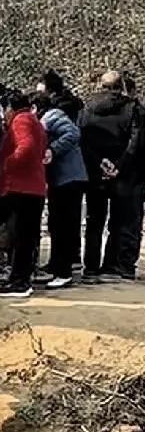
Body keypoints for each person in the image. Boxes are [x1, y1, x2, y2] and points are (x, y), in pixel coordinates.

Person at [78, 70, 143, 282]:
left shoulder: (87, 107)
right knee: (125, 219)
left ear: (101, 86)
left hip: (96, 172)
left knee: (94, 220)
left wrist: (100, 163)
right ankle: (119, 266)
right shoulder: (133, 109)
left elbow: (82, 139)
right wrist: (118, 166)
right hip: (127, 174)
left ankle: (91, 267)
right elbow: (136, 142)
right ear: (121, 86)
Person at [0, 92, 49, 298]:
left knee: (20, 236)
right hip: (33, 188)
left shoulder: (21, 120)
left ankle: (19, 281)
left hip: (21, 188)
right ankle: (22, 277)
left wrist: (7, 164)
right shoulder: (33, 120)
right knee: (27, 236)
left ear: (11, 108)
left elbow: (26, 148)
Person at [33, 94, 87, 288]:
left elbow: (73, 134)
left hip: (69, 178)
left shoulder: (52, 117)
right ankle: (56, 265)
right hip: (61, 179)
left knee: (64, 225)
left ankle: (64, 271)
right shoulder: (48, 118)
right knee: (56, 223)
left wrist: (52, 150)